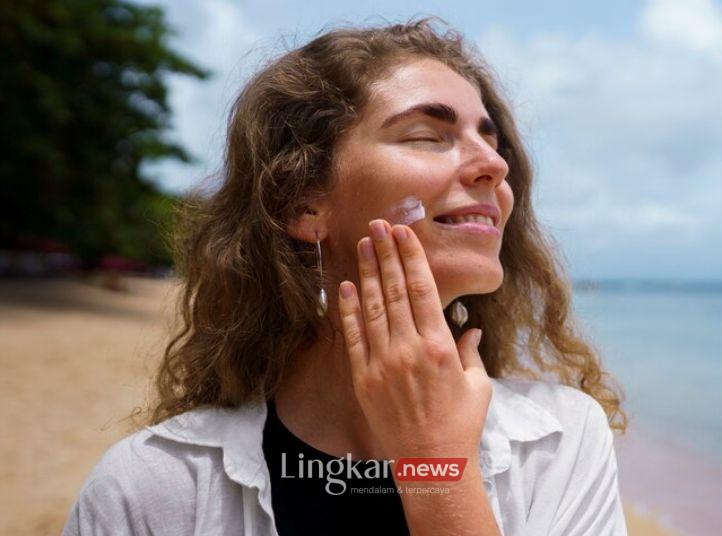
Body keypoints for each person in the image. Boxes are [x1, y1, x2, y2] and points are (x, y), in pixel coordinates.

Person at [62, 16, 629, 536]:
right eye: (429, 136)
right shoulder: (152, 487)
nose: (496, 164)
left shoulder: (560, 443)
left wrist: (432, 461)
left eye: (493, 140)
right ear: (303, 203)